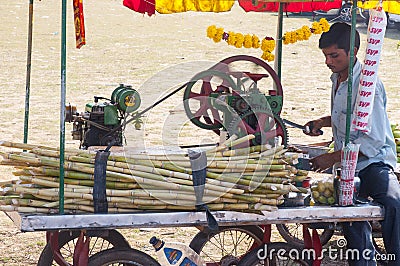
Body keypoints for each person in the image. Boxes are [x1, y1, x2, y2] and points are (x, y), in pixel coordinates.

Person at [304, 22, 400, 265]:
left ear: (353, 51)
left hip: (373, 162)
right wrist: (323, 121)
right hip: (349, 167)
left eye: (334, 55)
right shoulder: (337, 78)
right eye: (325, 56)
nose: (328, 61)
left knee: (393, 203)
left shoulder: (368, 86)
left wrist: (331, 158)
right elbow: (347, 118)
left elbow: (372, 139)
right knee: (350, 218)